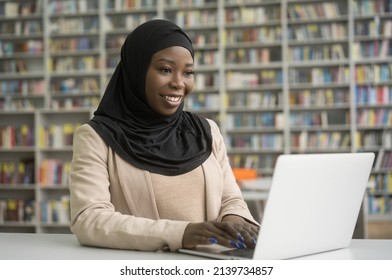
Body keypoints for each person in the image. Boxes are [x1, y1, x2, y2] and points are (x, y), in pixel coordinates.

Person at [69, 19, 259, 252]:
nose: (179, 83)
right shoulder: (96, 137)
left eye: (188, 72)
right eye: (165, 70)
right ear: (137, 70)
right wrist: (182, 234)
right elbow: (88, 219)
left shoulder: (207, 131)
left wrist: (236, 226)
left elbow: (231, 200)